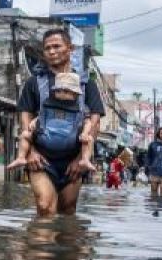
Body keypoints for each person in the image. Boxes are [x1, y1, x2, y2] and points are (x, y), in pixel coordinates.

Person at [14, 29, 105, 217]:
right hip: (41, 159)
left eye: (57, 46)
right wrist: (30, 152)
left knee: (67, 211)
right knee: (45, 207)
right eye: (47, 48)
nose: (52, 51)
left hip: (74, 160)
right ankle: (39, 246)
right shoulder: (34, 83)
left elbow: (94, 121)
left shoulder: (86, 83)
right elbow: (25, 118)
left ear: (70, 49)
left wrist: (81, 157)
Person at [8, 71, 94, 172]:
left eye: (66, 91)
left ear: (75, 94)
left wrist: (84, 133)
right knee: (24, 135)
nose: (61, 94)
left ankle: (85, 159)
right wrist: (34, 122)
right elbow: (41, 116)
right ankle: (21, 157)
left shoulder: (81, 108)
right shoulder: (48, 103)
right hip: (46, 136)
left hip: (70, 139)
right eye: (58, 91)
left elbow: (88, 122)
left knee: (89, 139)